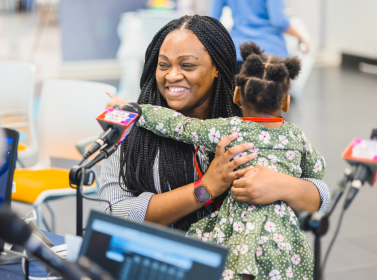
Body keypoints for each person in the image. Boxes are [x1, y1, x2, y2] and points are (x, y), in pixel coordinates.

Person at [101, 15, 329, 235]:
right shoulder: (131, 126)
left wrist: (283, 186)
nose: (171, 76)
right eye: (163, 65)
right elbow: (113, 212)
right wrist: (205, 188)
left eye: (187, 65)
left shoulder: (250, 124)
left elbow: (320, 198)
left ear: (217, 68)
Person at [126, 42, 323, 279]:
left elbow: (178, 126)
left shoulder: (229, 130)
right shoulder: (296, 135)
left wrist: (137, 110)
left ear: (237, 94)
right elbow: (317, 169)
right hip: (282, 230)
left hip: (238, 225)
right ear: (285, 102)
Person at [209, 0, 310, 73]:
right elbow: (278, 20)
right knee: (293, 91)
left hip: (237, 54)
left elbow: (212, 22)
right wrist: (301, 37)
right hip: (271, 55)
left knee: (237, 93)